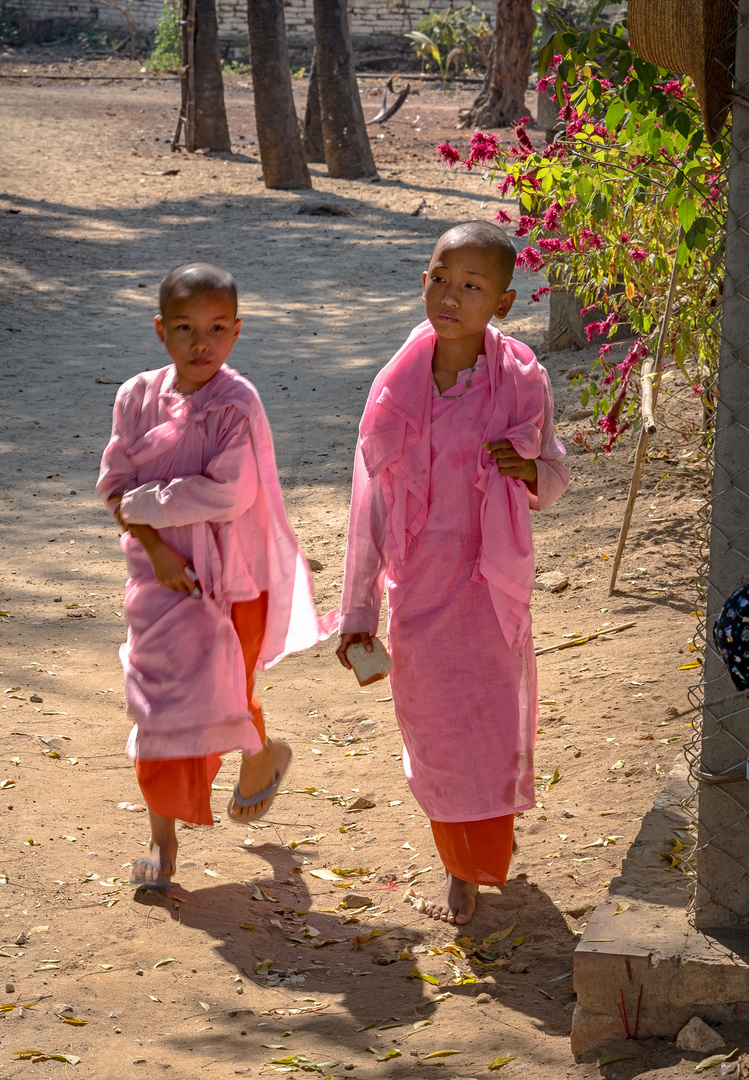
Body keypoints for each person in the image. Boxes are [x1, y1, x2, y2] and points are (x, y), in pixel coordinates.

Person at [336, 221, 569, 924]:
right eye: (440, 277)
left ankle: (482, 858)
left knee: (489, 727)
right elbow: (368, 504)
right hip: (418, 593)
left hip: (489, 591)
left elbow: (554, 473)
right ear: (424, 280)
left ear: (501, 303)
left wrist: (527, 469)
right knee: (433, 734)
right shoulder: (394, 387)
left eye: (471, 286)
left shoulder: (523, 378)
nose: (450, 295)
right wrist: (356, 615)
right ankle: (456, 872)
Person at [98, 262, 336, 890]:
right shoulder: (137, 397)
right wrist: (156, 549)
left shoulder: (238, 403)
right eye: (185, 328)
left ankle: (260, 756)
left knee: (225, 687)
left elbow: (227, 494)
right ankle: (161, 837)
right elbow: (114, 489)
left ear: (236, 332)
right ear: (160, 331)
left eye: (217, 329)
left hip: (233, 580)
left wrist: (144, 504)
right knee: (154, 705)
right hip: (158, 577)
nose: (201, 344)